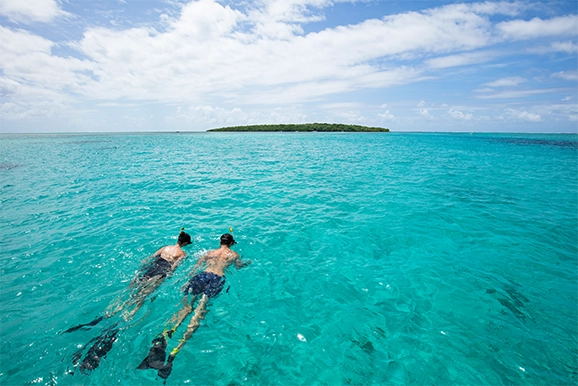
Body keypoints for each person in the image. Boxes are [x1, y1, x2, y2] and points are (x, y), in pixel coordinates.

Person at [137, 233, 251, 379]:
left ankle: (165, 336)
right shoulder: (233, 254)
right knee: (199, 312)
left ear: (219, 241)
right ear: (231, 243)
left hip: (202, 276)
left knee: (185, 308)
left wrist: (187, 280)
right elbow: (238, 266)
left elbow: (195, 267)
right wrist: (247, 263)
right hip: (216, 278)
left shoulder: (210, 253)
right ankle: (175, 351)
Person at [62, 229, 191, 332]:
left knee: (133, 289)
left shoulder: (165, 248)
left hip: (151, 267)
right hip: (161, 272)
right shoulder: (182, 254)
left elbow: (150, 258)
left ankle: (116, 307)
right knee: (145, 293)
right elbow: (173, 268)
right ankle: (132, 312)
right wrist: (169, 276)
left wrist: (144, 266)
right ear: (185, 243)